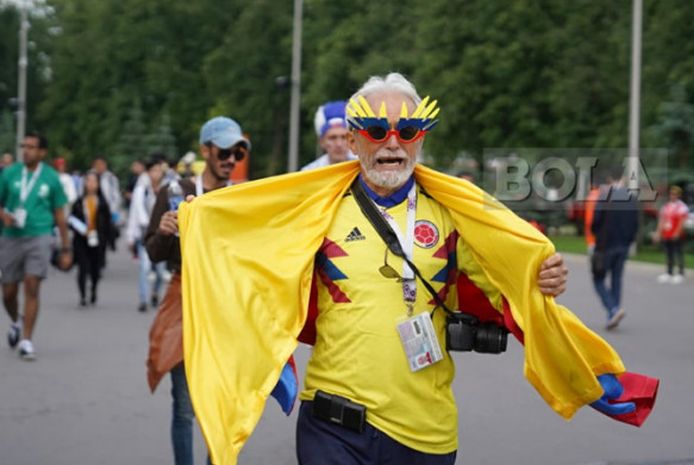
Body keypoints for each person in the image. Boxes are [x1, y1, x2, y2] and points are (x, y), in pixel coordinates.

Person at [178, 74, 657, 465]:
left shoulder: (454, 213)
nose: (392, 144)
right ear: (354, 138)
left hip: (426, 435)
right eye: (376, 132)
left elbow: (505, 286)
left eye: (406, 132)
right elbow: (245, 249)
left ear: (420, 138)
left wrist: (541, 277)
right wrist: (186, 222)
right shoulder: (316, 207)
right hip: (333, 426)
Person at [146, 116, 250, 465]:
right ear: (206, 150)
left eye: (237, 152)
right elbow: (153, 252)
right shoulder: (175, 192)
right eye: (224, 151)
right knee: (185, 405)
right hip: (185, 298)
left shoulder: (243, 197)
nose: (231, 159)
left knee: (221, 403)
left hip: (226, 305)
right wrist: (162, 232)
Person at [0, 132, 72, 360]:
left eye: (31, 147)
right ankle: (16, 321)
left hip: (39, 235)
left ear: (42, 152)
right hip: (11, 236)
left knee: (32, 285)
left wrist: (66, 247)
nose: (26, 150)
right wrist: (3, 216)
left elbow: (60, 214)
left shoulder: (51, 178)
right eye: (24, 146)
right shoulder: (10, 173)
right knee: (8, 291)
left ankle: (27, 340)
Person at [591, 167, 639, 330]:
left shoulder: (605, 197)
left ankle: (613, 309)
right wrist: (628, 241)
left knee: (598, 280)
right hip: (623, 246)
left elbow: (595, 222)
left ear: (610, 180)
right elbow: (635, 225)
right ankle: (614, 312)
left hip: (605, 246)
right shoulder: (631, 198)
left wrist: (595, 236)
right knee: (617, 279)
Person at [126, 157, 167, 312]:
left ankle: (156, 292)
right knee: (144, 267)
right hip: (144, 234)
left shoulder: (167, 190)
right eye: (153, 171)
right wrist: (131, 235)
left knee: (160, 269)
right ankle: (143, 299)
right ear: (148, 173)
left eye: (159, 171)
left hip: (162, 234)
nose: (156, 174)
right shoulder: (141, 190)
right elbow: (135, 214)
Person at [69, 171, 112, 306]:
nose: (91, 184)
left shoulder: (103, 203)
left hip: (97, 239)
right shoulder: (79, 202)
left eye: (94, 181)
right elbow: (71, 219)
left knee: (95, 268)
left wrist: (109, 241)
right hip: (81, 239)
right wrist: (80, 228)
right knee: (82, 267)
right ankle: (82, 295)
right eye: (88, 181)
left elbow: (108, 223)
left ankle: (93, 289)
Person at [300, 100, 357, 171]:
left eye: (344, 137)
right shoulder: (309, 173)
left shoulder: (364, 168)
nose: (338, 144)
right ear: (321, 142)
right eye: (332, 138)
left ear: (352, 140)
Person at [654, 185, 689, 284]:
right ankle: (669, 272)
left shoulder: (682, 207)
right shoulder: (666, 206)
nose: (672, 196)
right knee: (668, 253)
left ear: (679, 195)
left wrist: (677, 232)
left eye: (675, 194)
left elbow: (682, 221)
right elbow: (662, 220)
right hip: (667, 234)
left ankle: (681, 273)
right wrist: (658, 232)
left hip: (677, 234)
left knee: (678, 253)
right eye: (671, 194)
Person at [92, 156, 123, 245]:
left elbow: (116, 195)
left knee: (103, 236)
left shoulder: (111, 178)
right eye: (97, 164)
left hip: (107, 210)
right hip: (92, 210)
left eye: (102, 164)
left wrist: (113, 209)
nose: (100, 167)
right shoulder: (89, 176)